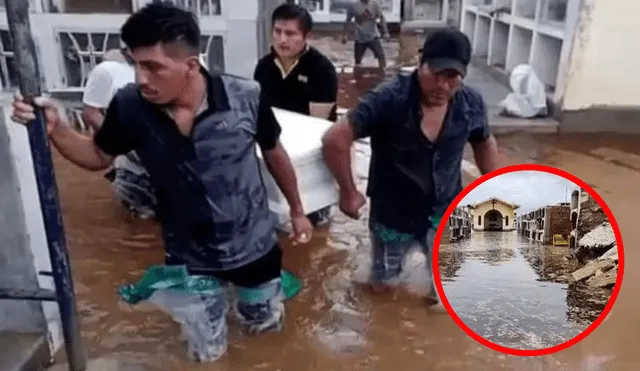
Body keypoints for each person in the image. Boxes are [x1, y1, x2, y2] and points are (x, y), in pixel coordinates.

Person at [12, 2, 313, 361]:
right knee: (205, 350)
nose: (141, 78)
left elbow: (274, 151)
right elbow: (98, 156)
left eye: (153, 67)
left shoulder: (244, 97)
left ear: (190, 64)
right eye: (135, 64)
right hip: (188, 257)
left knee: (265, 334)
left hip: (255, 247)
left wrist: (297, 210)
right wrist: (57, 129)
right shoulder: (130, 107)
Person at [321, 28, 506, 309]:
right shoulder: (388, 99)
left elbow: (483, 141)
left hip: (445, 211)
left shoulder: (471, 103)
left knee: (446, 287)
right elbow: (335, 138)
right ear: (421, 63)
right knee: (383, 286)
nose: (444, 86)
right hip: (393, 215)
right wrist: (348, 192)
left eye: (453, 78)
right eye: (437, 74)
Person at [254, 3, 338, 227]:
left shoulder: (321, 70)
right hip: (276, 147)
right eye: (277, 31)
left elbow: (314, 127)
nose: (282, 39)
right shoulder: (264, 67)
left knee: (316, 224)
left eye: (290, 33)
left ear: (306, 36)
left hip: (309, 159)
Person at [82, 48, 157, 220]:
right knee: (141, 229)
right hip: (134, 168)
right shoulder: (108, 71)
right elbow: (91, 112)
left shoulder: (181, 65)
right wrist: (122, 144)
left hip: (171, 168)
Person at [342, 0, 390, 69]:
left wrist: (385, 32)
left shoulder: (375, 4)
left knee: (381, 57)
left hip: (373, 37)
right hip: (359, 38)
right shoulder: (354, 6)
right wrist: (346, 35)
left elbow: (382, 18)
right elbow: (348, 20)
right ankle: (358, 76)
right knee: (357, 62)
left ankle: (382, 75)